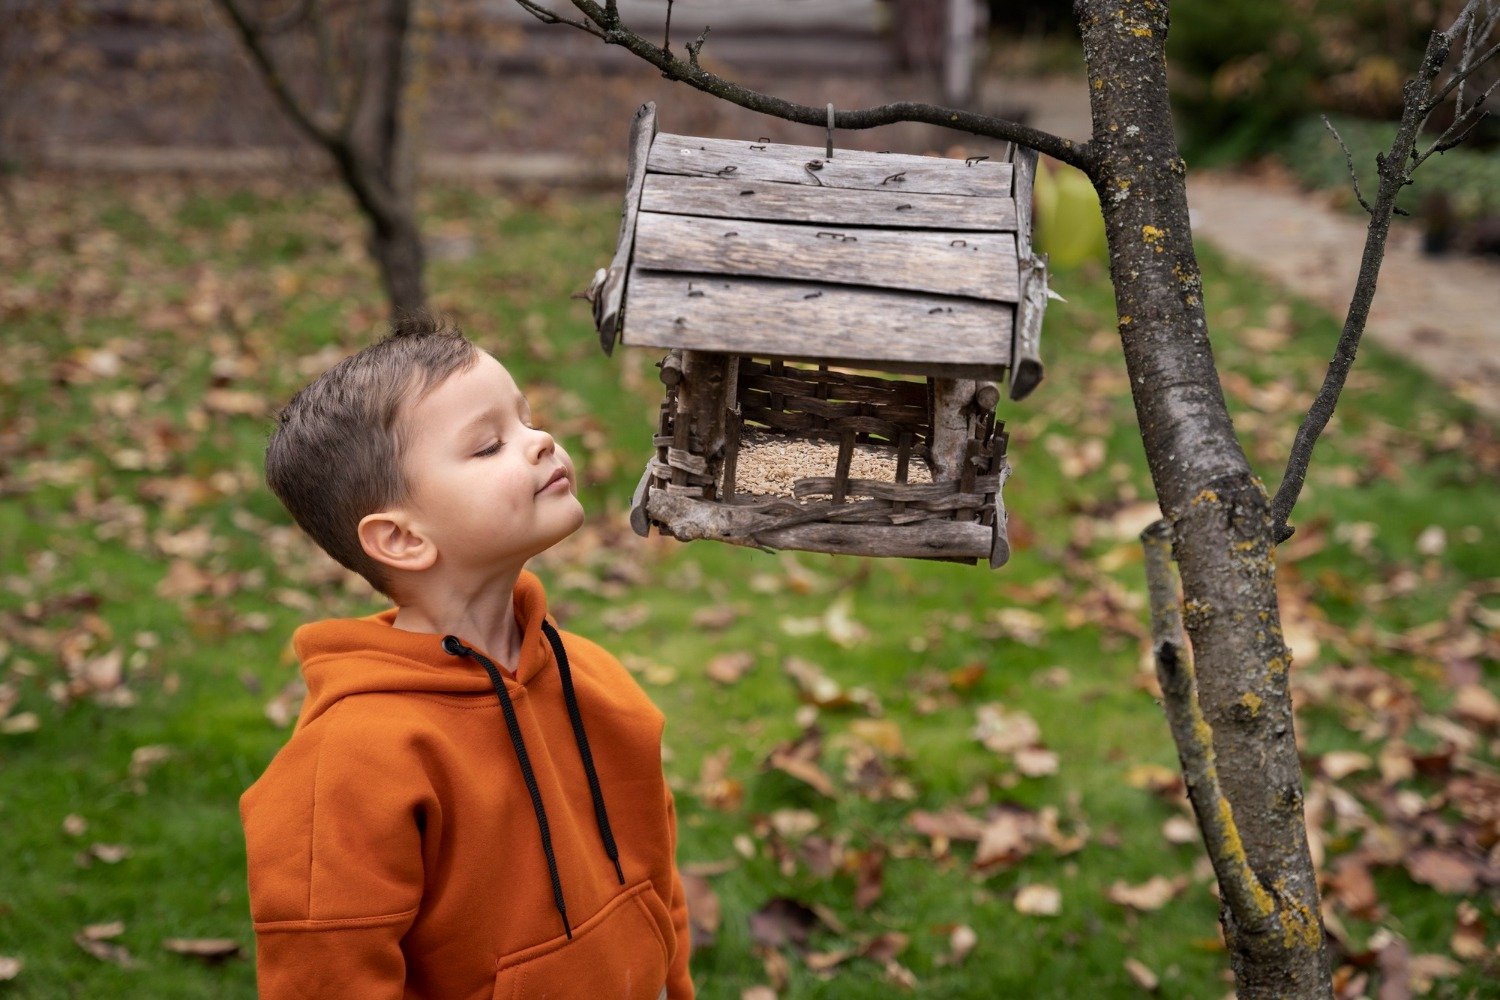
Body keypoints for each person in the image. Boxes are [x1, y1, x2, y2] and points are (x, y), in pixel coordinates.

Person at [240, 313, 693, 999]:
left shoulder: (598, 684)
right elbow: (325, 979)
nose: (540, 442)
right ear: (399, 538)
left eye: (527, 419)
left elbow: (659, 888)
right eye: (488, 447)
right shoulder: (349, 765)